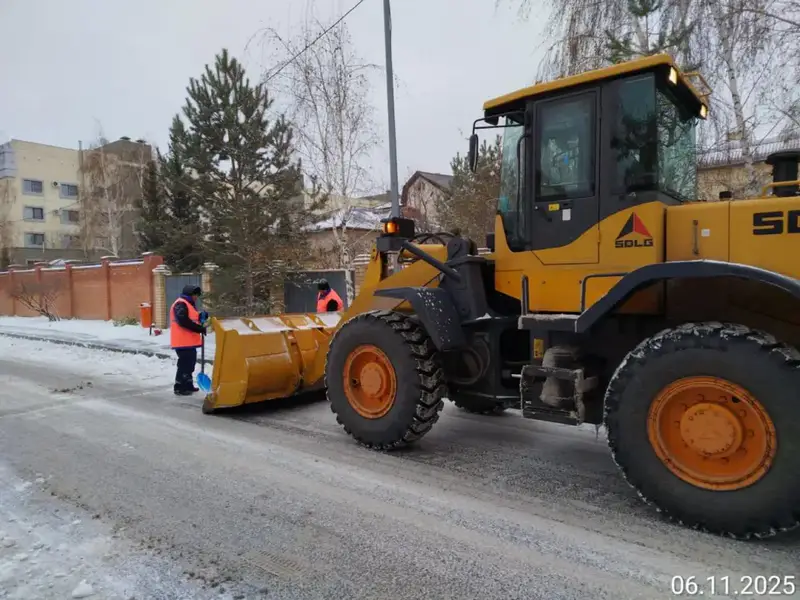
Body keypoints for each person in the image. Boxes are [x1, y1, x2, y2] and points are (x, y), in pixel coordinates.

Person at [170, 284, 208, 396]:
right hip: (182, 341)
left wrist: (202, 316)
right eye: (195, 295)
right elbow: (183, 321)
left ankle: (188, 385)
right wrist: (199, 329)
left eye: (197, 295)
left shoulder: (188, 304)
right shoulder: (180, 304)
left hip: (189, 342)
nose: (196, 297)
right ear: (189, 294)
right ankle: (179, 387)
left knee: (190, 364)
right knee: (184, 364)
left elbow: (192, 318)